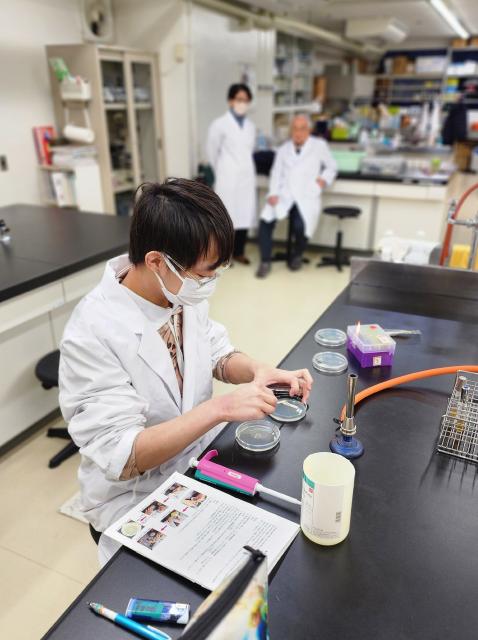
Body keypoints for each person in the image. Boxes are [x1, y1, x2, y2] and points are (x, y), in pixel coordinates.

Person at [59, 178, 313, 565]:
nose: (209, 283)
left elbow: (217, 353)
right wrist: (221, 409)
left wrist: (259, 370)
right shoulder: (93, 332)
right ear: (156, 262)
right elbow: (123, 455)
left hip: (194, 465)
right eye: (204, 274)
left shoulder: (176, 289)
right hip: (132, 497)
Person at [256, 114, 337, 278]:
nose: (298, 133)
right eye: (295, 129)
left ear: (309, 130)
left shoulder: (319, 146)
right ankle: (265, 261)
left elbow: (332, 166)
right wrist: (273, 193)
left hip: (306, 195)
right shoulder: (283, 149)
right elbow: (276, 173)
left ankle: (297, 255)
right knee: (265, 221)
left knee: (301, 226)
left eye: (302, 129)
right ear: (291, 131)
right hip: (284, 195)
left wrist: (322, 180)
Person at [207, 83, 256, 265]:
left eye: (246, 100)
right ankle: (224, 256)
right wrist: (222, 170)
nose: (242, 103)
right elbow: (211, 152)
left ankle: (239, 252)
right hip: (227, 177)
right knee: (227, 218)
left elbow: (249, 150)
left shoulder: (250, 126)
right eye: (239, 99)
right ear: (230, 101)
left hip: (246, 177)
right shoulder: (219, 124)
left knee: (244, 215)